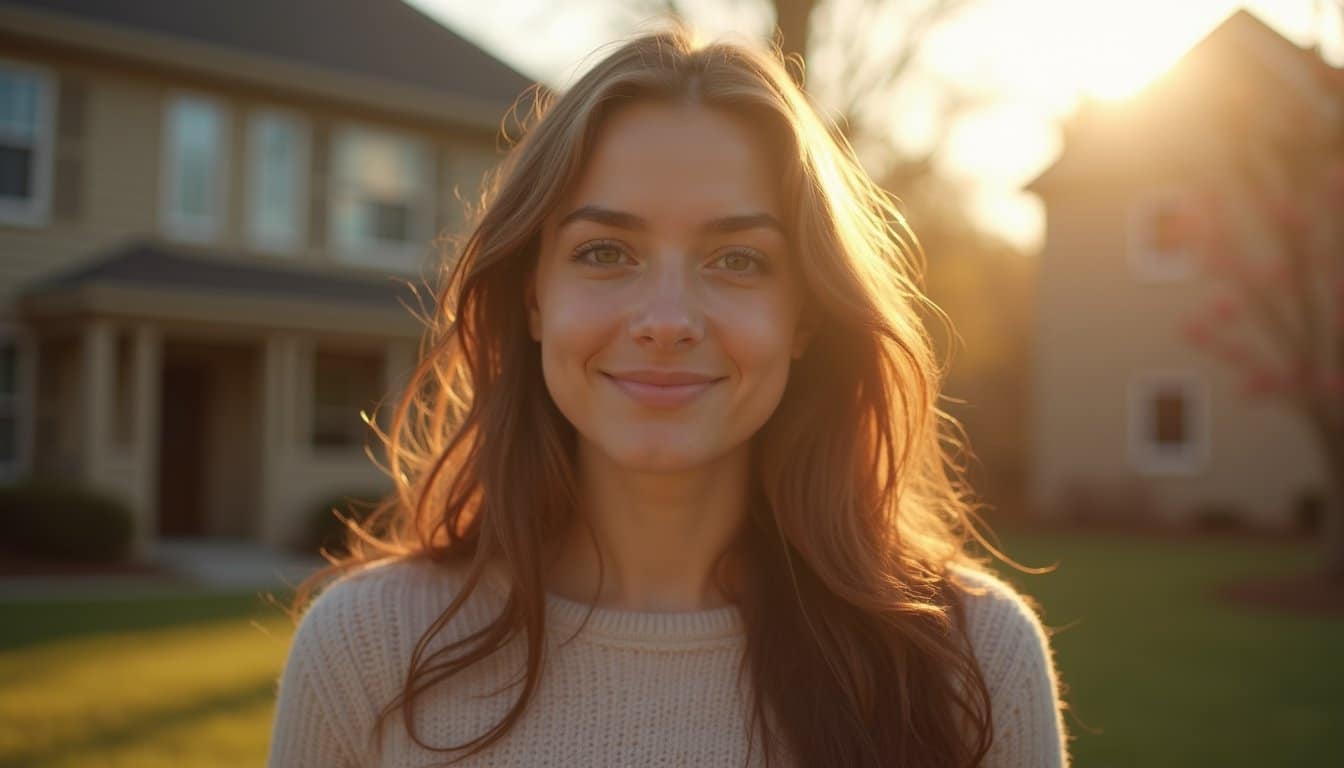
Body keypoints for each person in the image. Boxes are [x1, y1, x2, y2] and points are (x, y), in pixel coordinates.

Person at [267, 25, 1071, 768]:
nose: (666, 321)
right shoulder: (367, 651)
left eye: (738, 260)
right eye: (606, 251)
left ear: (804, 317)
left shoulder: (969, 659)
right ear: (533, 298)